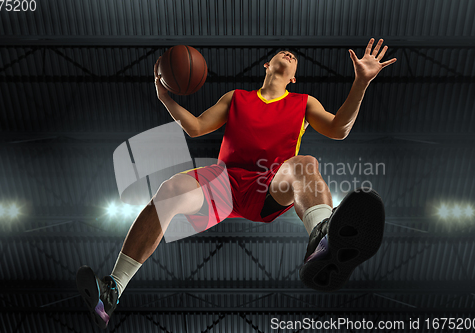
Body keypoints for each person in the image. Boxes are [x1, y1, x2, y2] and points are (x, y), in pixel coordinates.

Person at [77, 38, 397, 329]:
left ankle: (322, 238)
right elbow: (197, 127)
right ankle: (112, 290)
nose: (288, 54)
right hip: (224, 185)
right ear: (267, 66)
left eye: (294, 58)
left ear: (293, 78)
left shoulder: (303, 102)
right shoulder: (237, 98)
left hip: (270, 184)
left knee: (304, 164)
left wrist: (361, 82)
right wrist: (164, 97)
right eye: (280, 54)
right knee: (170, 190)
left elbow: (339, 129)